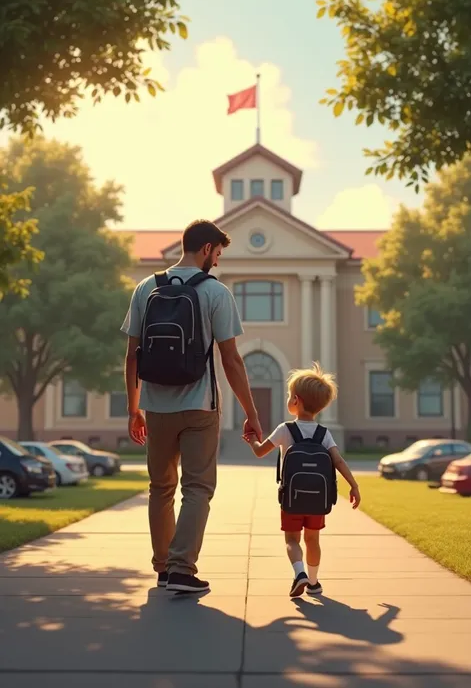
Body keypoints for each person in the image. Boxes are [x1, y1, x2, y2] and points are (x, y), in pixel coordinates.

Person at [121, 219, 262, 593]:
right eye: (217, 253)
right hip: (200, 408)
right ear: (206, 249)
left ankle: (164, 568)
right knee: (197, 487)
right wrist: (251, 413)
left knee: (160, 488)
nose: (217, 261)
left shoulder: (146, 287)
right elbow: (231, 359)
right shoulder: (216, 293)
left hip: (155, 406)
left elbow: (132, 356)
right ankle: (183, 569)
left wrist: (134, 409)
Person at [243, 362, 361, 597]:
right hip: (318, 500)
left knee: (292, 539)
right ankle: (314, 583)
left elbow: (259, 452)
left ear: (295, 401)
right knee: (313, 539)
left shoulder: (284, 429)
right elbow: (338, 462)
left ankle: (299, 574)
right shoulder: (324, 433)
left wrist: (251, 439)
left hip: (292, 498)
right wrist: (354, 485)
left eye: (289, 395)